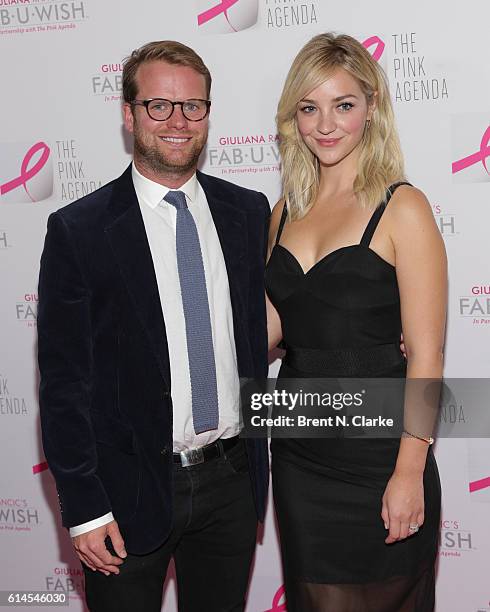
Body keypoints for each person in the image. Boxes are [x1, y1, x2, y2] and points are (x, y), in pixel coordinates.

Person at [38, 40, 270, 612]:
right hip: (127, 490)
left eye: (193, 106)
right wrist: (85, 507)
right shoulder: (80, 230)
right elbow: (65, 386)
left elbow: (265, 330)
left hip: (231, 482)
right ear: (128, 113)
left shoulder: (248, 213)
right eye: (158, 106)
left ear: (208, 114)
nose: (177, 121)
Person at [265, 33, 446, 611]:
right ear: (293, 116)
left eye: (343, 105)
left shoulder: (403, 206)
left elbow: (426, 355)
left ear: (371, 107)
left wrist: (409, 470)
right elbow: (267, 333)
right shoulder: (284, 211)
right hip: (299, 458)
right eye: (309, 107)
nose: (326, 124)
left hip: (380, 456)